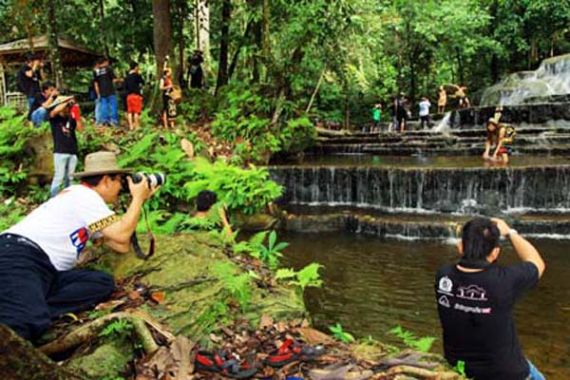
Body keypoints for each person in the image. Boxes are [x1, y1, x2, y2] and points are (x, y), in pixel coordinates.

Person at [0, 151, 157, 341]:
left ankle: (32, 305)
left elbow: (120, 244)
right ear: (107, 180)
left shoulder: (85, 204)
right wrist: (138, 199)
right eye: (120, 181)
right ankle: (27, 312)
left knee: (101, 283)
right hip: (20, 255)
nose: (121, 187)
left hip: (45, 270)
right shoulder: (84, 196)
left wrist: (137, 202)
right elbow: (122, 234)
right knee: (24, 321)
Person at [435, 217, 545, 380]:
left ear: (460, 247)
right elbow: (537, 263)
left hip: (460, 369)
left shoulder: (443, 275)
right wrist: (510, 233)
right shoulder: (505, 280)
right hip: (507, 374)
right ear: (495, 253)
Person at [48, 96, 80, 197]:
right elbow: (54, 111)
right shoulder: (55, 119)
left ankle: (68, 199)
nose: (67, 108)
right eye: (66, 106)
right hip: (60, 152)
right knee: (59, 178)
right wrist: (66, 102)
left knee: (70, 178)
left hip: (72, 151)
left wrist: (76, 113)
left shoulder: (70, 119)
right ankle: (53, 200)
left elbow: (80, 128)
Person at [93, 57, 119, 127]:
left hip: (102, 92)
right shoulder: (108, 69)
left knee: (104, 107)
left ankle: (105, 121)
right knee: (113, 106)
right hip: (110, 91)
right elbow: (114, 80)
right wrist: (120, 80)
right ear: (105, 62)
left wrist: (98, 93)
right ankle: (114, 121)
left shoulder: (96, 71)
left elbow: (96, 84)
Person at [124, 61, 145, 131]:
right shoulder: (137, 75)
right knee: (136, 111)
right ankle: (136, 125)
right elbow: (143, 82)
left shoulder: (126, 77)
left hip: (128, 96)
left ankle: (130, 126)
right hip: (136, 95)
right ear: (135, 67)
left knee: (129, 111)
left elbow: (124, 86)